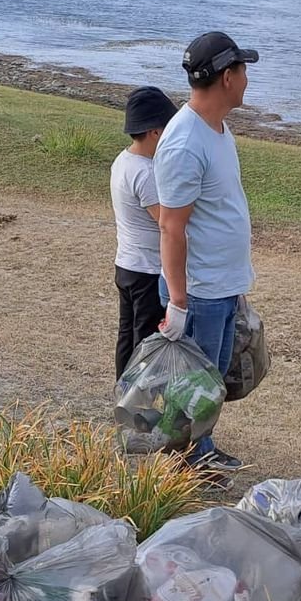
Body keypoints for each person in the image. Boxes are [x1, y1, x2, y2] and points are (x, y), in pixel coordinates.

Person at [155, 31, 259, 474]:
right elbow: (170, 225)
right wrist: (178, 302)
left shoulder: (216, 127)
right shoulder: (184, 143)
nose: (247, 77)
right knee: (193, 384)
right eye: (242, 69)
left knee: (209, 382)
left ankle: (199, 450)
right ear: (227, 77)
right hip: (198, 292)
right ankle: (183, 462)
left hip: (220, 283)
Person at [112, 86, 176, 377]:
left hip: (126, 264)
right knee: (146, 341)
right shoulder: (146, 173)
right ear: (154, 133)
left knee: (127, 335)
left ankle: (122, 391)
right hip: (147, 271)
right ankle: (136, 402)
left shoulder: (123, 161)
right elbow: (165, 221)